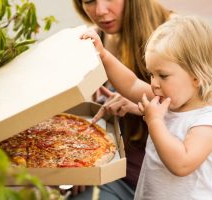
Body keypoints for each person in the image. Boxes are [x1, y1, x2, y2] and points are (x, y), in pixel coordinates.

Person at [81, 15, 212, 200]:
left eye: (163, 75)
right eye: (152, 74)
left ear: (196, 76)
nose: (154, 84)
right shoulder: (168, 100)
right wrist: (103, 55)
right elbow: (132, 84)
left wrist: (155, 120)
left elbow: (181, 164)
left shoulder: (208, 124)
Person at [68, 0, 173, 199]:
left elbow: (197, 112)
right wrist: (83, 163)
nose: (100, 11)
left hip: (159, 182)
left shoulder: (175, 32)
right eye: (89, 0)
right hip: (109, 171)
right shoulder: (95, 39)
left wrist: (141, 106)